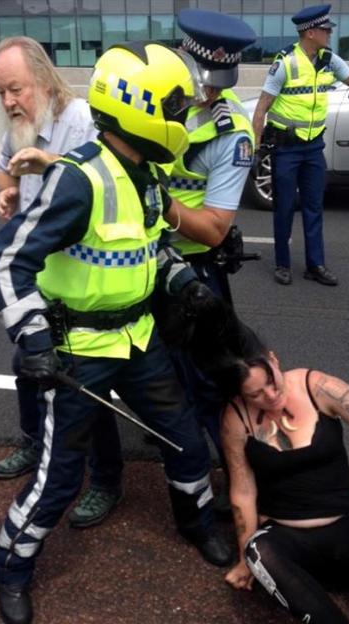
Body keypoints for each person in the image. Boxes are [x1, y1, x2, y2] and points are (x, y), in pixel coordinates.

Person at [0, 40, 233, 624]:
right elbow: (4, 261)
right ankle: (11, 570)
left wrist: (181, 283)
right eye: (173, 108)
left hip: (140, 341)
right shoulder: (79, 180)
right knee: (58, 479)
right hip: (78, 351)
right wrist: (35, 342)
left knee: (185, 443)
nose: (182, 118)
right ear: (140, 107)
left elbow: (150, 245)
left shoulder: (146, 175)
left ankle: (197, 524)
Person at [68, 9, 257, 528]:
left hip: (190, 272)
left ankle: (222, 486)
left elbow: (215, 227)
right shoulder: (144, 94)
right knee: (119, 372)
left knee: (205, 383)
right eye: (194, 84)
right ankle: (111, 476)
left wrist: (155, 200)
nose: (201, 96)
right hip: (130, 263)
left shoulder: (231, 132)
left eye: (210, 87)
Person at [207, 322, 349, 624]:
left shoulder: (318, 386)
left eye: (271, 383)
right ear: (239, 395)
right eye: (255, 394)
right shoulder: (235, 420)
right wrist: (245, 559)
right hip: (291, 545)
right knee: (257, 550)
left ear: (274, 360)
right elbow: (243, 493)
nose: (271, 396)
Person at [0, 36, 122, 484]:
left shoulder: (82, 121)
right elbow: (4, 164)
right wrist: (7, 189)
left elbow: (107, 186)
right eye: (1, 92)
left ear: (44, 81)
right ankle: (33, 442)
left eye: (16, 89)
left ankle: (105, 479)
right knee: (27, 364)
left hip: (83, 278)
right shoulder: (21, 120)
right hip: (41, 277)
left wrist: (50, 163)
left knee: (84, 382)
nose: (8, 101)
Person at [251, 3, 349, 287]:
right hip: (286, 149)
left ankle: (315, 264)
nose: (329, 34)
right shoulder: (285, 62)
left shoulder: (328, 59)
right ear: (311, 32)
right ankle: (283, 264)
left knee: (314, 207)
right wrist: (255, 150)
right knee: (285, 207)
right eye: (326, 30)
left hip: (314, 148)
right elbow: (261, 109)